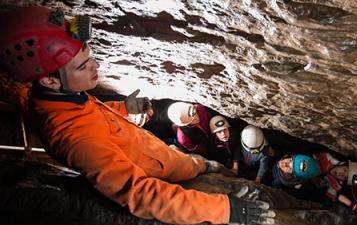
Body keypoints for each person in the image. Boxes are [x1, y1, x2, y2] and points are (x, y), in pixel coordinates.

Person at [0, 6, 275, 225]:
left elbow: (93, 114)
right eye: (84, 66)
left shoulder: (58, 97)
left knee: (198, 163)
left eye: (89, 55)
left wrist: (124, 108)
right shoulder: (79, 141)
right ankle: (205, 167)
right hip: (162, 172)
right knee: (194, 166)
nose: (96, 65)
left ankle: (207, 166)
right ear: (49, 81)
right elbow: (142, 195)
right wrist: (224, 211)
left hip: (162, 154)